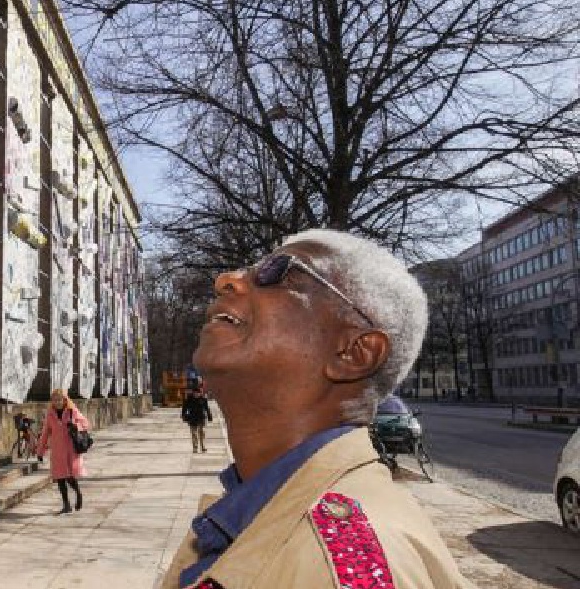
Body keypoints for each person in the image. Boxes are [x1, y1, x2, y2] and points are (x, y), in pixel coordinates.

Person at [162, 229, 474, 589]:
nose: (226, 281)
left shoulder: (343, 568)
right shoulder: (259, 512)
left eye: (277, 271)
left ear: (353, 353)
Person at [36, 388, 91, 514]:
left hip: (70, 451)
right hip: (57, 451)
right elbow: (45, 434)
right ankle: (66, 505)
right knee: (60, 478)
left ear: (64, 400)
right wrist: (40, 451)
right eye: (55, 400)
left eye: (59, 400)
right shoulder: (50, 415)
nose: (57, 402)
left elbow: (86, 424)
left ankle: (78, 493)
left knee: (70, 477)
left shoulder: (72, 411)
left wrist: (76, 425)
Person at [181, 388, 213, 453]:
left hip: (201, 418)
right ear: (193, 393)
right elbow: (184, 408)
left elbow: (207, 408)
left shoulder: (203, 399)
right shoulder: (188, 399)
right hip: (192, 418)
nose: (196, 394)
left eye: (198, 393)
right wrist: (183, 415)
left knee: (202, 432)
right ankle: (195, 447)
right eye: (195, 393)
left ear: (200, 393)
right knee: (194, 433)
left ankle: (203, 446)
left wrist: (209, 416)